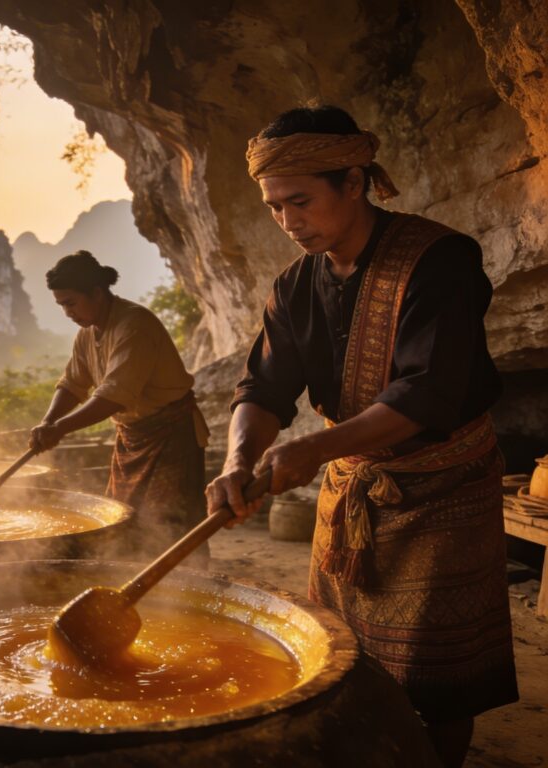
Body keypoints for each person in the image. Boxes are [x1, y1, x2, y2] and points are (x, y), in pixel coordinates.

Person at [205, 105, 518, 767]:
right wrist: (240, 458)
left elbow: (423, 394)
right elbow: (262, 389)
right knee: (341, 657)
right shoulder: (294, 286)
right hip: (353, 486)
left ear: (354, 181)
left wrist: (314, 449)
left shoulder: (439, 262)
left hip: (442, 488)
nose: (289, 223)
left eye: (301, 202)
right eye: (273, 208)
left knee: (438, 679)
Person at [29, 251, 210, 539]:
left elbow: (114, 395)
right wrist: (47, 422)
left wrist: (60, 428)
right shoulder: (87, 334)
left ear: (97, 294)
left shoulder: (134, 325)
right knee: (124, 520)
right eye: (62, 306)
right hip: (131, 437)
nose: (68, 313)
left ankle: (186, 579)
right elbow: (73, 383)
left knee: (171, 525)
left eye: (71, 303)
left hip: (171, 438)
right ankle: (134, 578)